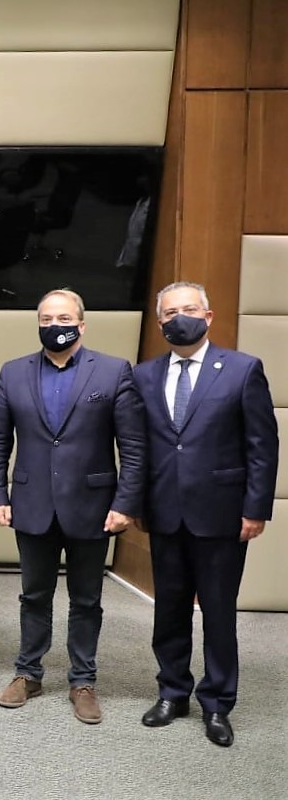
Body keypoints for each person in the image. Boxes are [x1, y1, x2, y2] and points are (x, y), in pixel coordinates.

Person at [0, 288, 145, 724]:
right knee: (34, 595)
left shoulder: (113, 371)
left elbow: (133, 447)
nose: (56, 326)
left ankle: (83, 681)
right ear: (38, 324)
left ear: (82, 325)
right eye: (47, 319)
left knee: (86, 599)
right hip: (31, 503)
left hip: (93, 506)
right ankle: (28, 673)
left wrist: (125, 503)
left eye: (64, 319)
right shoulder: (13, 372)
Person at [133, 281, 278, 747]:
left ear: (208, 316)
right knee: (169, 611)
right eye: (171, 312)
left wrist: (256, 508)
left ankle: (217, 703)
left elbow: (262, 446)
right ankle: (172, 692)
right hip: (164, 512)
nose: (181, 318)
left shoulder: (242, 369)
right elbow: (139, 447)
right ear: (160, 323)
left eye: (190, 309)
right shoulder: (144, 375)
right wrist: (136, 504)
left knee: (218, 612)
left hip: (222, 513)